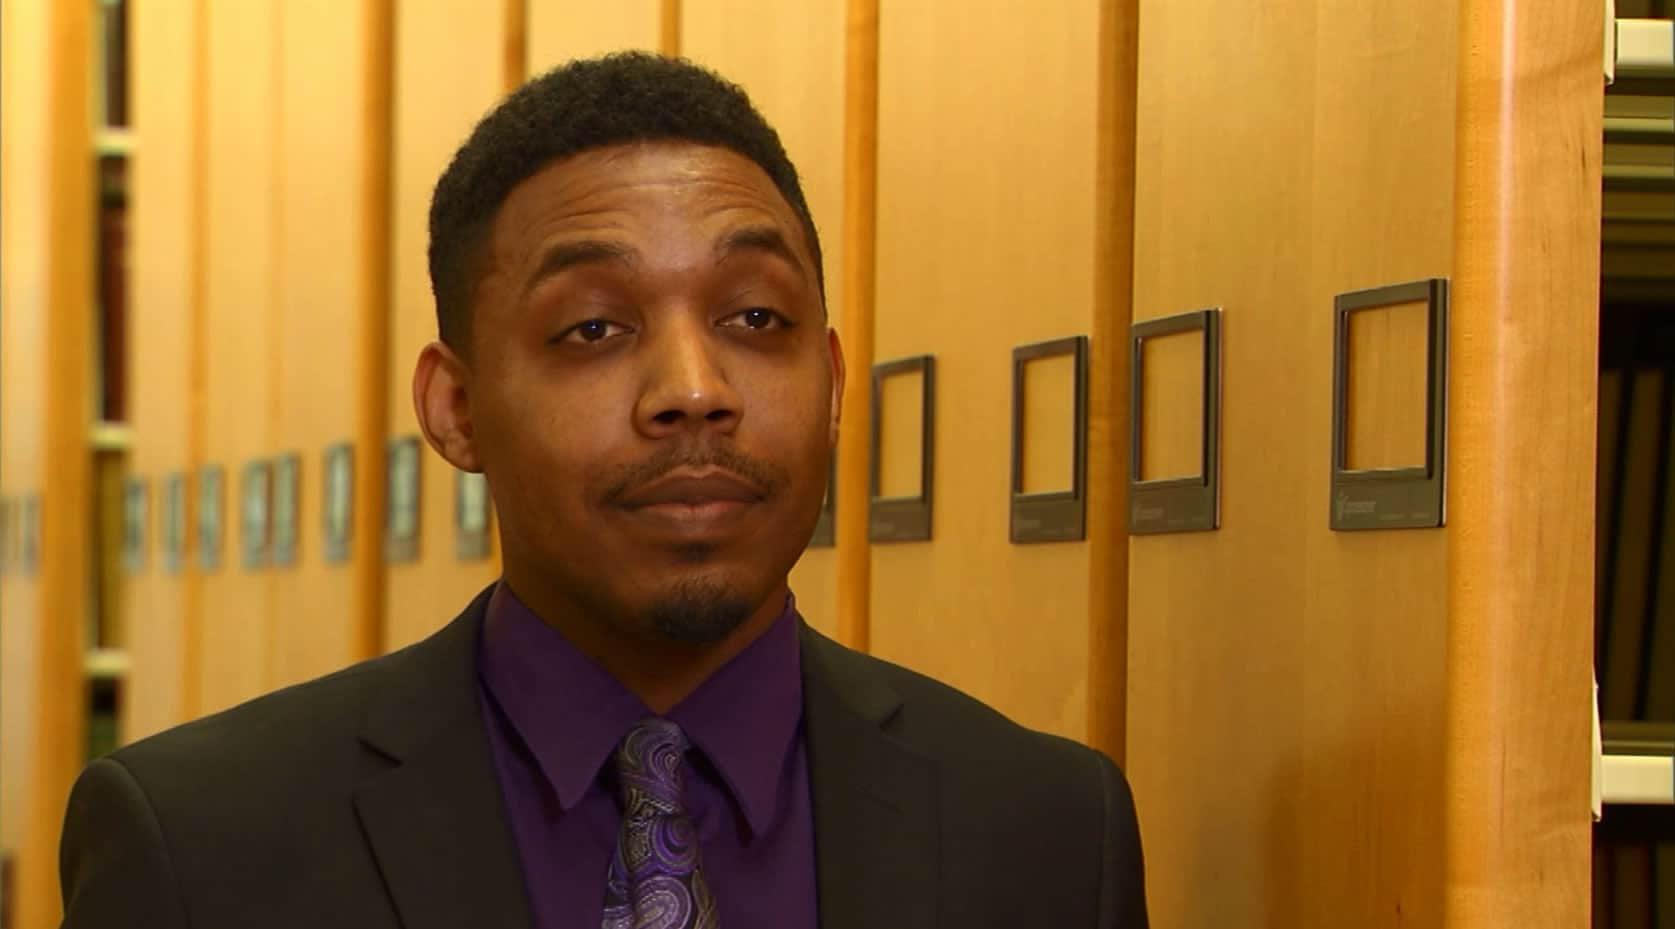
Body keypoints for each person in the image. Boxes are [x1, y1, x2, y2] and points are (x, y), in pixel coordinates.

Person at [58, 52, 1147, 929]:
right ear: (456, 410)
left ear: (832, 379)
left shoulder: (1048, 826)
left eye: (755, 318)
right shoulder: (202, 844)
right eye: (593, 328)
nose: (692, 389)